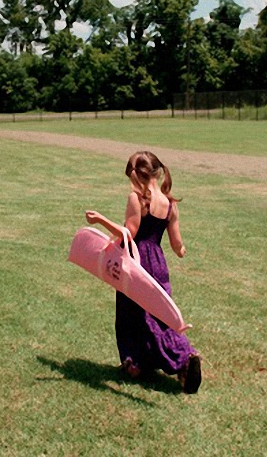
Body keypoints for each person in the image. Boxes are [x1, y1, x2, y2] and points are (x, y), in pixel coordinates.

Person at [85, 151, 202, 394]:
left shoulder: (137, 199)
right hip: (158, 263)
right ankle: (157, 361)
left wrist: (100, 220)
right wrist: (182, 251)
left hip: (136, 262)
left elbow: (129, 232)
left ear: (139, 175)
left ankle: (157, 360)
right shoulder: (170, 204)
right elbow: (177, 244)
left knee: (133, 317)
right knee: (160, 315)